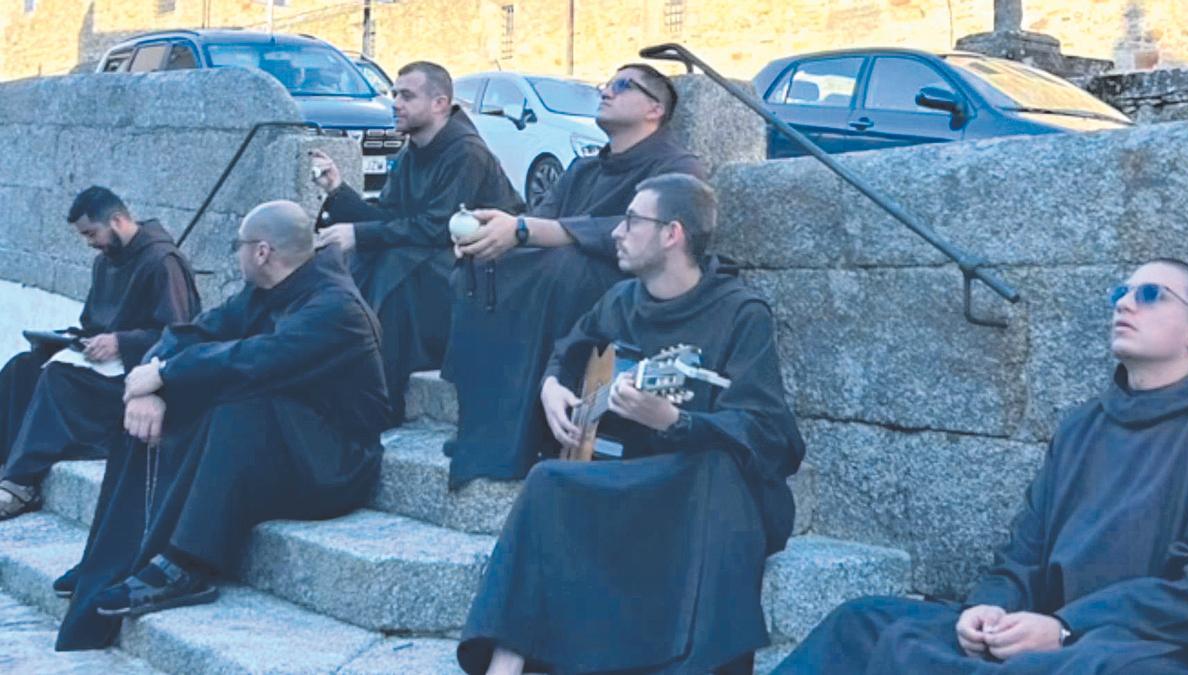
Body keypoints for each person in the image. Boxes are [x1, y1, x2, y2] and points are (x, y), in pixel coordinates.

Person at [772, 258, 1188, 674]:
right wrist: (989, 607)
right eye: (1120, 293)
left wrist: (1069, 628)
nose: (1124, 304)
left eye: (1150, 295)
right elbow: (1024, 552)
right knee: (863, 621)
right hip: (1040, 627)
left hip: (1141, 642)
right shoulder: (1082, 427)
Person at [457, 174, 804, 675]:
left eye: (632, 220)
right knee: (547, 480)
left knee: (712, 469)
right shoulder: (621, 299)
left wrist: (677, 422)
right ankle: (505, 664)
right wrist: (551, 386)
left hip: (694, 489)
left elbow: (771, 434)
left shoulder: (740, 313)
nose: (617, 232)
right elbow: (571, 349)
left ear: (672, 234)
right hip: (627, 476)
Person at [55, 200, 390, 651]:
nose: (237, 254)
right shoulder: (269, 291)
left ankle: (185, 562)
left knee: (238, 403)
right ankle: (116, 552)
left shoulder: (335, 308)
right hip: (285, 445)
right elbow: (193, 332)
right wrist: (151, 382)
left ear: (263, 252)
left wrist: (166, 375)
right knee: (158, 412)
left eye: (239, 246)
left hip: (336, 464)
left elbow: (254, 362)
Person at [442, 63, 706, 488]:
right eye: (607, 83)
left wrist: (534, 231)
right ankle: (491, 429)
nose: (606, 91)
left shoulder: (678, 168)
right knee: (483, 264)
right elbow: (536, 220)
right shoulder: (584, 169)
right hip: (567, 272)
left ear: (654, 109)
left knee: (565, 270)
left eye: (622, 86)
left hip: (625, 282)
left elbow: (641, 232)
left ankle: (535, 432)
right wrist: (493, 228)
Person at [311, 60, 522, 424]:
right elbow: (392, 217)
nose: (395, 103)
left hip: (482, 269)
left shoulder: (466, 152)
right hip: (434, 258)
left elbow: (436, 228)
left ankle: (379, 403)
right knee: (353, 263)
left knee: (392, 270)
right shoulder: (412, 152)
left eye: (407, 96)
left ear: (440, 103)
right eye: (395, 94)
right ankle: (343, 385)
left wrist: (358, 234)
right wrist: (339, 191)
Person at [0, 186, 200, 520]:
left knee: (58, 378)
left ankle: (22, 483)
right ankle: (7, 460)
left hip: (140, 373)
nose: (90, 242)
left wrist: (121, 341)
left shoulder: (163, 261)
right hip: (104, 362)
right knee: (22, 367)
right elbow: (93, 322)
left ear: (118, 220)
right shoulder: (104, 263)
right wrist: (73, 340)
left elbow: (179, 332)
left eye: (92, 233)